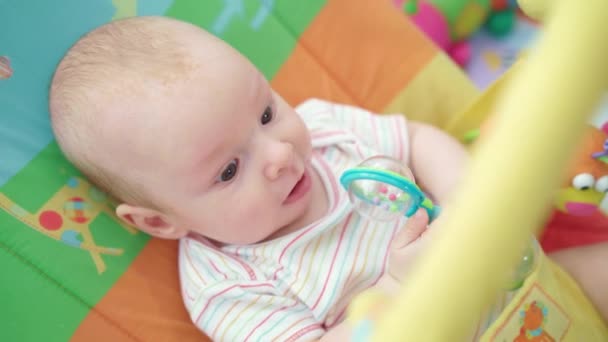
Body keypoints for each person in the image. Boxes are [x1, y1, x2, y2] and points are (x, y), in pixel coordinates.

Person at [49, 16, 606, 341]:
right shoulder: (226, 285)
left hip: (529, 282)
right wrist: (399, 287)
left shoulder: (326, 129)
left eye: (266, 113)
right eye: (227, 170)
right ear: (158, 220)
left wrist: (468, 200)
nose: (278, 155)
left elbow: (416, 139)